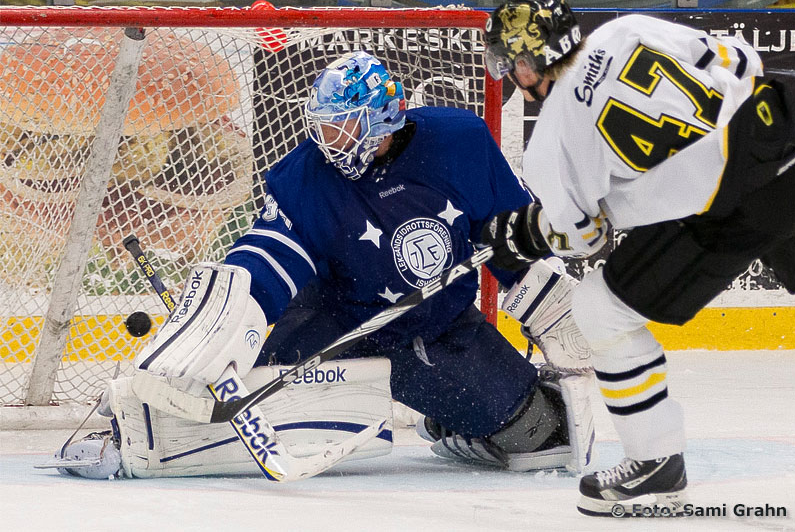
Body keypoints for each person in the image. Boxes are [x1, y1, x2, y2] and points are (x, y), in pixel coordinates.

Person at [51, 51, 595, 480]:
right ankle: (134, 418)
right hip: (334, 319)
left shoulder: (460, 144)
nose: (325, 140)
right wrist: (233, 300)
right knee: (228, 387)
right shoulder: (306, 175)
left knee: (541, 434)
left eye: (339, 128)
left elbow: (509, 232)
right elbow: (270, 252)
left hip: (438, 330)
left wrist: (548, 309)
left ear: (381, 123)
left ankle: (446, 419)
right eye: (322, 126)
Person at [480, 0, 795, 517]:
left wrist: (528, 233)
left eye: (508, 61)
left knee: (600, 310)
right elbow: (743, 62)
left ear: (527, 62)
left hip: (739, 203)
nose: (509, 72)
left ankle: (654, 462)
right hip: (787, 116)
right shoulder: (625, 29)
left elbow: (586, 238)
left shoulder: (552, 143)